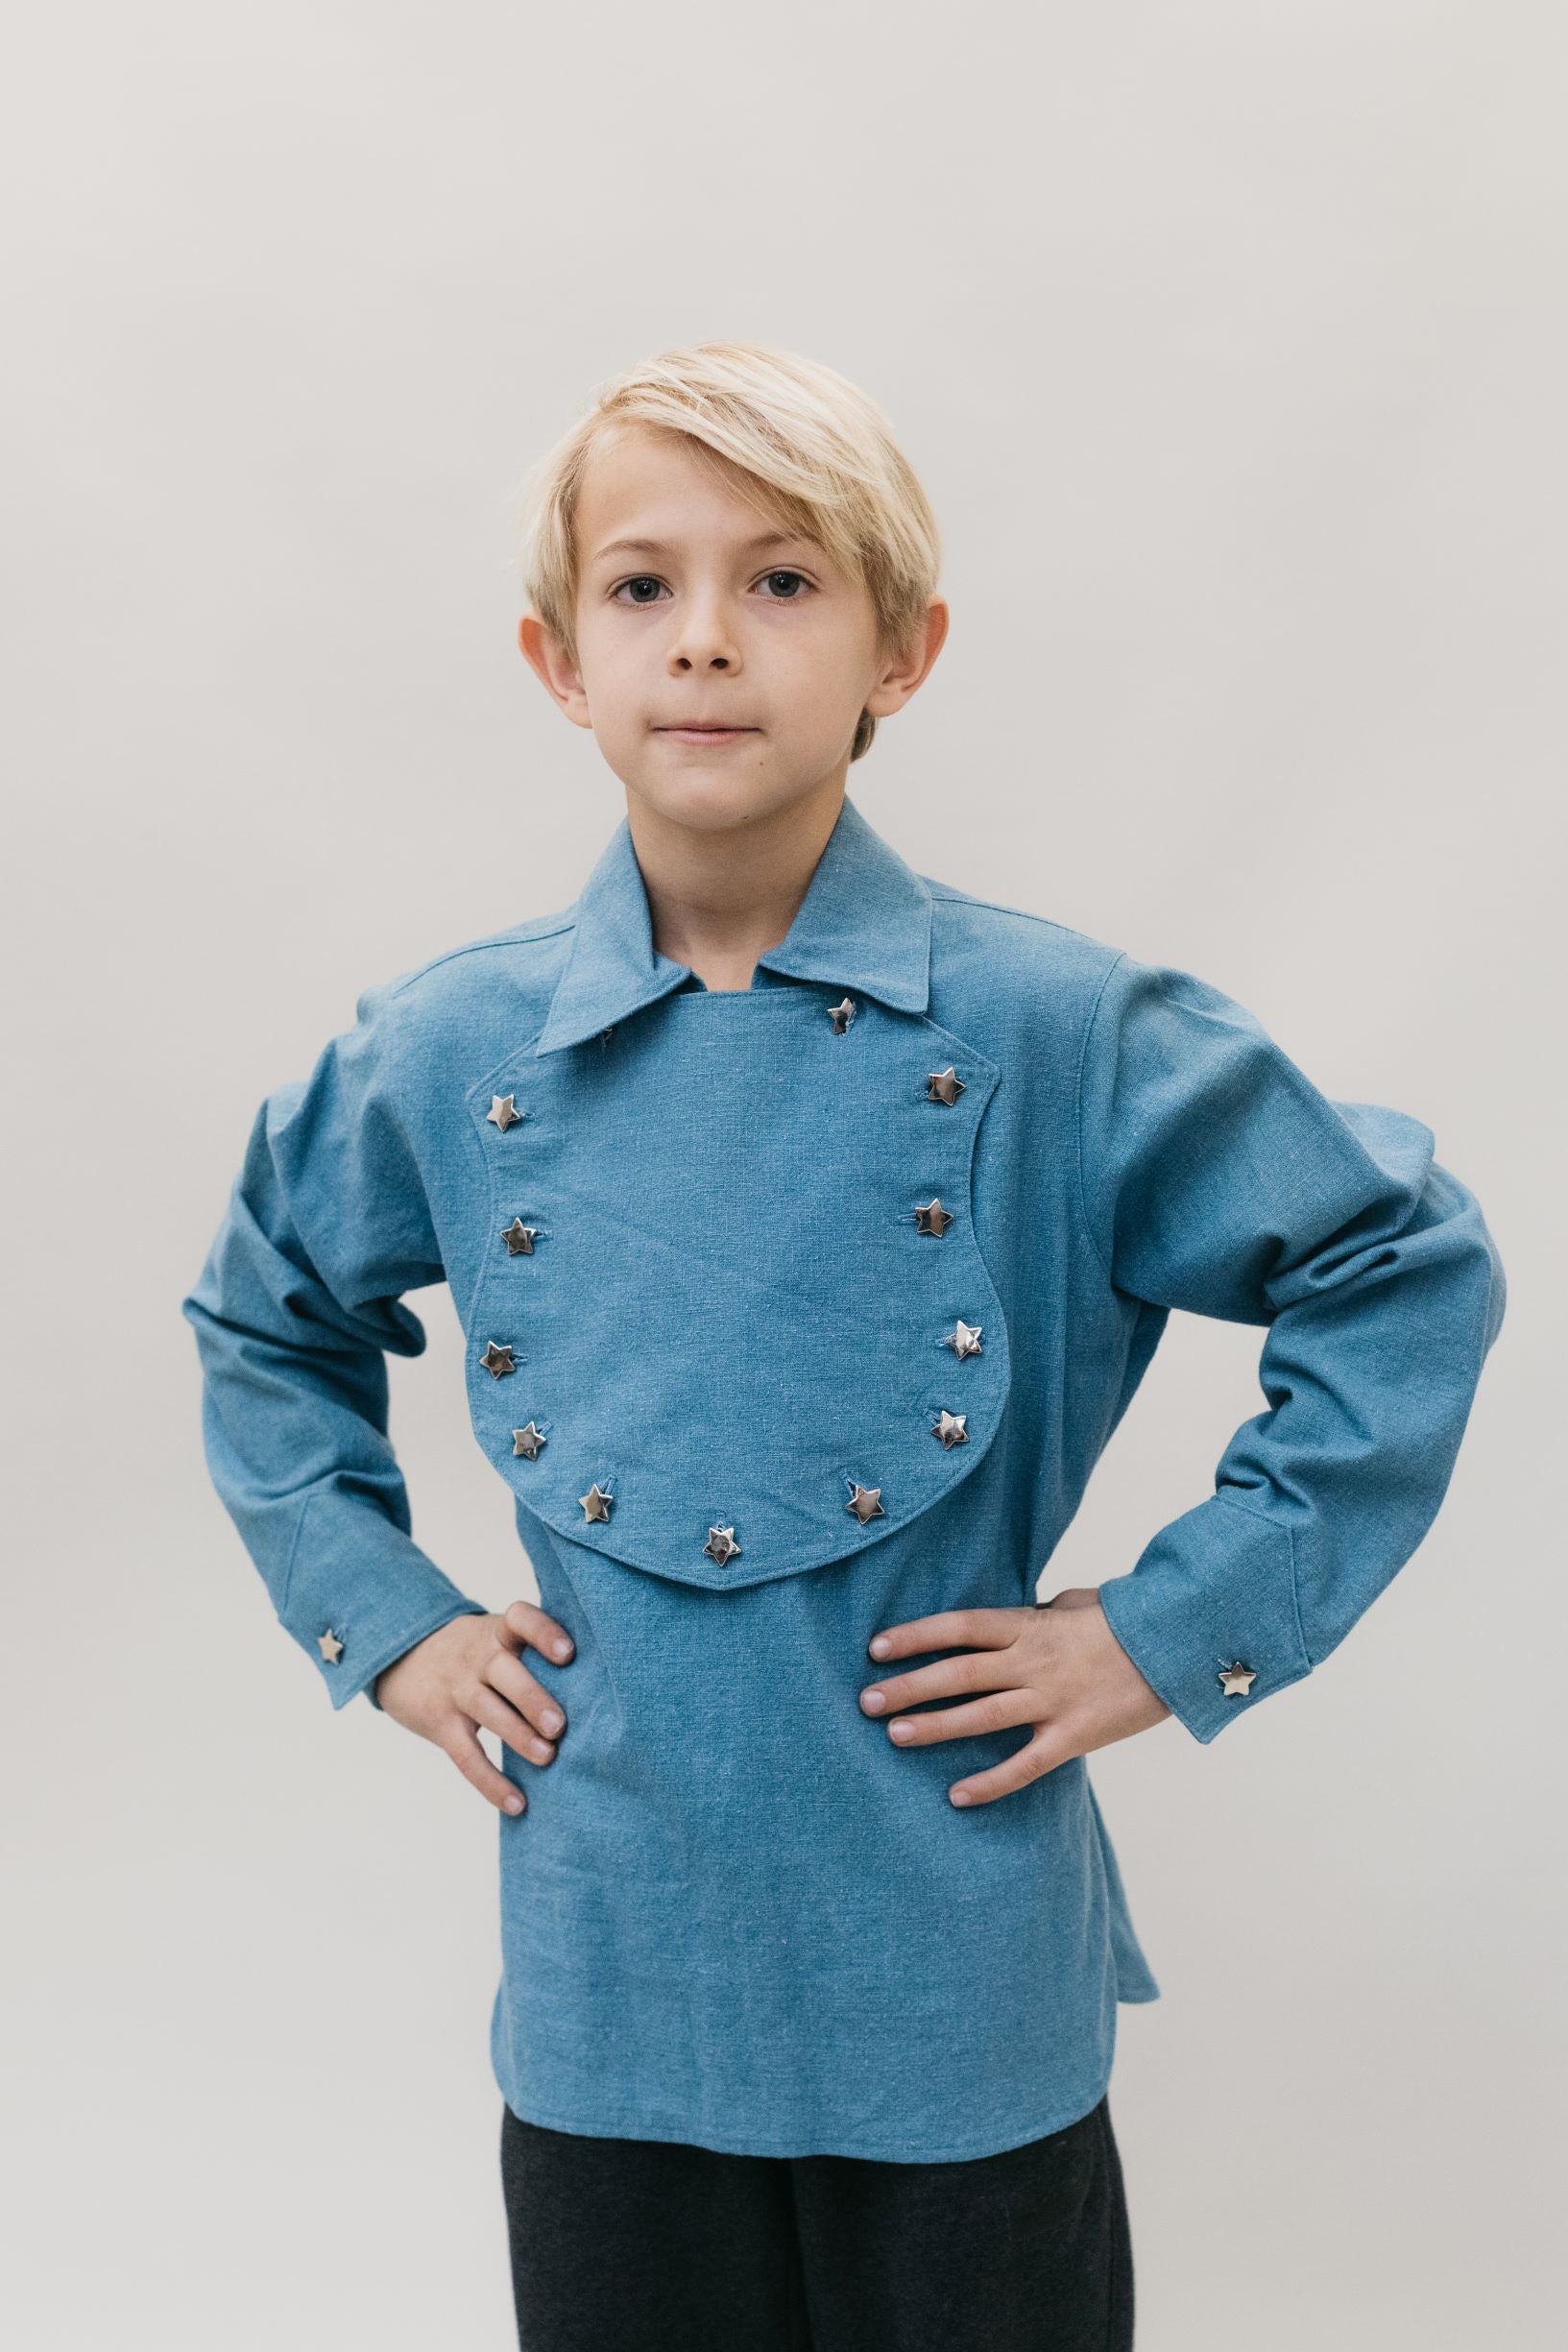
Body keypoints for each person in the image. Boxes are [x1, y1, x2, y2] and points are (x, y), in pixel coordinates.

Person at [181, 340, 1507, 2351]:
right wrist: (385, 1611)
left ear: (905, 647)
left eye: (784, 580)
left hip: (956, 1983)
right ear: (557, 659)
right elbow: (263, 1315)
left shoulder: (1063, 1029)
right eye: (644, 585)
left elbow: (1400, 1261)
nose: (706, 640)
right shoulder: (446, 1051)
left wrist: (1173, 1624)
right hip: (607, 1981)